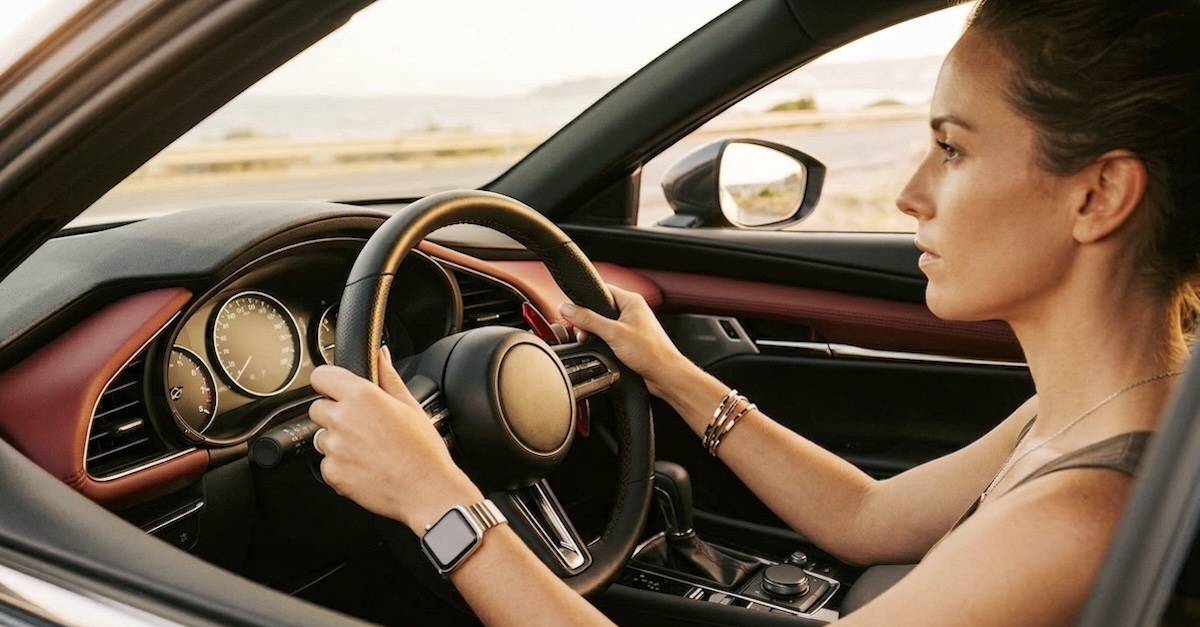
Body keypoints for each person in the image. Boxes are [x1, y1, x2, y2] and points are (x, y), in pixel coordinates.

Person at [306, 0, 1200, 624]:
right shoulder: (1086, 413)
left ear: (1099, 195)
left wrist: (435, 497)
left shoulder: (1086, 516)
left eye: (952, 149)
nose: (910, 193)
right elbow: (870, 519)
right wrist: (672, 373)